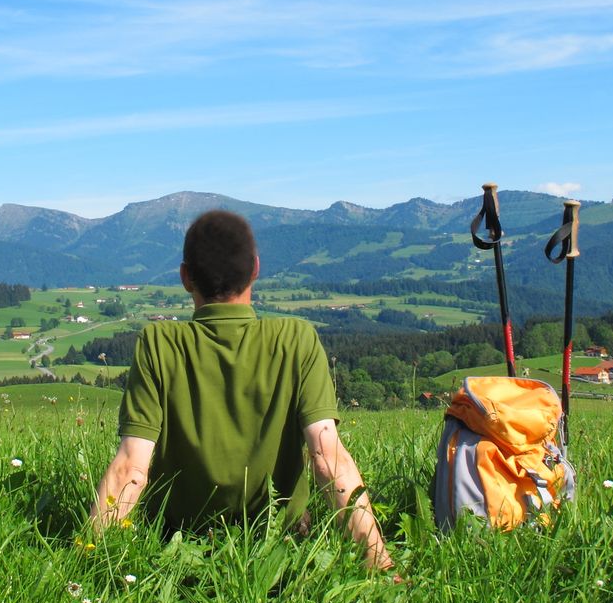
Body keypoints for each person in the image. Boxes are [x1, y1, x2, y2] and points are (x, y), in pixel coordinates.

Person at [90, 209, 393, 572]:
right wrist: (380, 565)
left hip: (177, 548)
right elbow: (327, 459)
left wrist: (90, 560)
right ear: (256, 270)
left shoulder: (158, 343)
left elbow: (130, 468)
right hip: (279, 550)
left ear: (186, 277)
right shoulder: (296, 339)